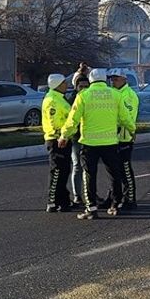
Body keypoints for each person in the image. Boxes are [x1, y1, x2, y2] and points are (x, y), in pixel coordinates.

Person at [59, 68, 131, 220]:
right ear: (105, 80)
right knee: (114, 174)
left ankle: (91, 208)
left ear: (90, 80)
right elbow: (125, 118)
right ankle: (116, 205)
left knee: (89, 175)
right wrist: (132, 130)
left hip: (89, 143)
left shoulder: (83, 95)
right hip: (110, 142)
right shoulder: (115, 94)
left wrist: (64, 135)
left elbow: (73, 120)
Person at [107, 67, 141, 209]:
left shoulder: (129, 95)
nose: (113, 81)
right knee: (114, 171)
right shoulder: (112, 93)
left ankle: (130, 199)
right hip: (111, 138)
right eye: (111, 79)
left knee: (125, 169)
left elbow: (128, 117)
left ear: (124, 79)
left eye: (116, 79)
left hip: (124, 137)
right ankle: (113, 196)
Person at [41, 74, 73, 212]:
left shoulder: (59, 98)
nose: (66, 85)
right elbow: (55, 123)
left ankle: (63, 200)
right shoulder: (53, 100)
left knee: (64, 171)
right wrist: (62, 135)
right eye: (64, 83)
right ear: (57, 85)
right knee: (57, 172)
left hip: (64, 139)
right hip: (57, 140)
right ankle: (52, 201)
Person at [66, 74, 91, 207]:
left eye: (86, 86)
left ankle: (90, 193)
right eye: (81, 86)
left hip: (89, 137)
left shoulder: (91, 98)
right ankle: (77, 196)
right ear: (76, 87)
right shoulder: (72, 100)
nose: (83, 89)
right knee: (77, 166)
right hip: (76, 138)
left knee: (88, 168)